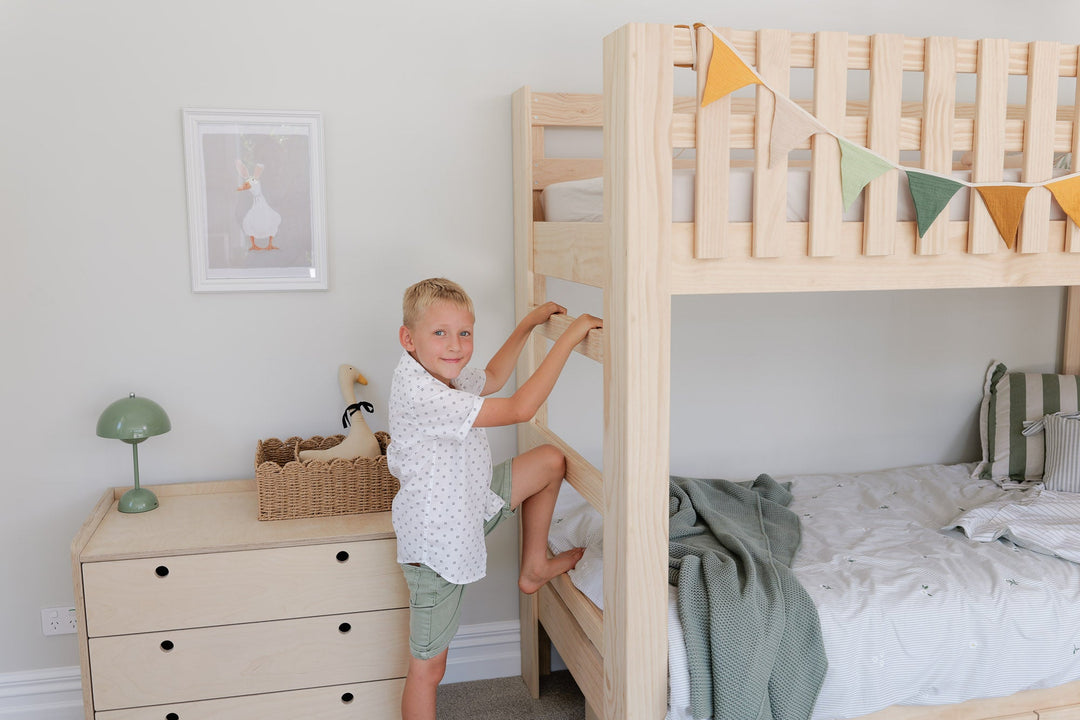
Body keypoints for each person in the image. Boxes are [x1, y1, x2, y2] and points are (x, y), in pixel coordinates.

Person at [388, 277, 603, 720]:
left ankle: (534, 568)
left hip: (471, 502)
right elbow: (520, 407)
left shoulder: (440, 372)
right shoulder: (420, 391)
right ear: (408, 339)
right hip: (436, 544)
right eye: (440, 333)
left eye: (464, 333)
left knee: (549, 462)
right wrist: (569, 335)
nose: (455, 346)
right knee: (429, 668)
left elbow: (493, 377)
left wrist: (527, 325)